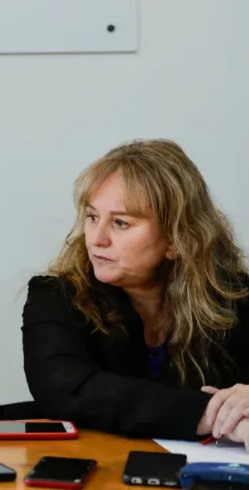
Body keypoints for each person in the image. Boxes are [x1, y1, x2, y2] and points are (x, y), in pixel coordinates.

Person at [22, 139, 249, 443]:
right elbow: (67, 389)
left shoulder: (235, 296)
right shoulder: (54, 296)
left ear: (176, 239)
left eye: (120, 223)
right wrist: (208, 415)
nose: (96, 239)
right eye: (92, 217)